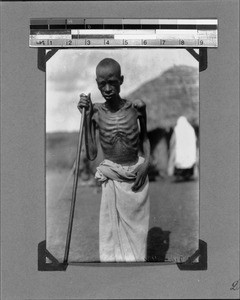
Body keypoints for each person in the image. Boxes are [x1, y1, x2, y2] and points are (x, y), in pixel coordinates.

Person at [77, 58, 150, 262]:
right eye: (102, 84)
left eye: (112, 82)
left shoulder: (137, 108)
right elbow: (92, 154)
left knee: (137, 234)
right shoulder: (95, 112)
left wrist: (146, 164)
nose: (107, 88)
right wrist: (85, 118)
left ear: (121, 80)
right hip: (111, 179)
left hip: (135, 176)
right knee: (111, 234)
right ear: (97, 83)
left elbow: (145, 139)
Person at [167, 116, 198, 181]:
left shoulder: (177, 129)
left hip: (179, 151)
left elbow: (172, 141)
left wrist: (170, 148)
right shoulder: (191, 129)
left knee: (174, 160)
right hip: (189, 152)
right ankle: (190, 175)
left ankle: (173, 174)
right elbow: (195, 139)